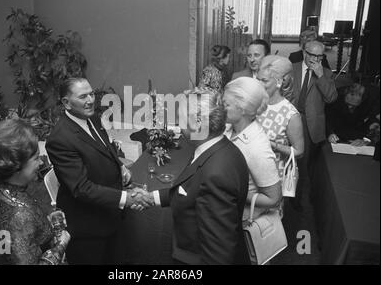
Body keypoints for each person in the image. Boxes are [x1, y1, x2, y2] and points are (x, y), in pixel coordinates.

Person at [140, 88, 250, 264]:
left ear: (198, 124)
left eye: (181, 118)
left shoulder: (216, 173)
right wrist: (151, 197)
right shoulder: (216, 148)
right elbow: (190, 190)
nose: (178, 123)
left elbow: (218, 255)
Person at [45, 77, 148, 264]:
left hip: (109, 215)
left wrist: (120, 165)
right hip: (88, 226)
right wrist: (126, 198)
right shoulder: (60, 139)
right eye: (83, 96)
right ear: (66, 103)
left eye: (91, 94)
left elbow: (105, 145)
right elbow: (81, 188)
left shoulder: (91, 117)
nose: (91, 100)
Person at [0, 119, 71, 265]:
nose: (41, 162)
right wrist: (60, 245)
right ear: (15, 166)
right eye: (35, 158)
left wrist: (45, 225)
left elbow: (13, 244)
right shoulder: (20, 216)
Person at [223, 77, 282, 220]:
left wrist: (231, 193)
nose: (221, 108)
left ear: (242, 109)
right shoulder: (228, 128)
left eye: (226, 105)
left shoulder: (256, 147)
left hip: (240, 222)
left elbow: (274, 199)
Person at [291, 40, 337, 211]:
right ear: (304, 53)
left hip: (310, 125)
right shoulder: (291, 67)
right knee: (286, 160)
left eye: (320, 56)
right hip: (289, 120)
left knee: (303, 165)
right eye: (312, 55)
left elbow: (331, 98)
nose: (316, 59)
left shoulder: (326, 73)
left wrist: (321, 76)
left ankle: (297, 202)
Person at [256, 55, 304, 184]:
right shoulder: (254, 103)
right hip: (248, 175)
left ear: (279, 82)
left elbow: (299, 151)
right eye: (257, 79)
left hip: (273, 178)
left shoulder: (290, 114)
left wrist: (272, 145)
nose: (259, 84)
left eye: (264, 81)